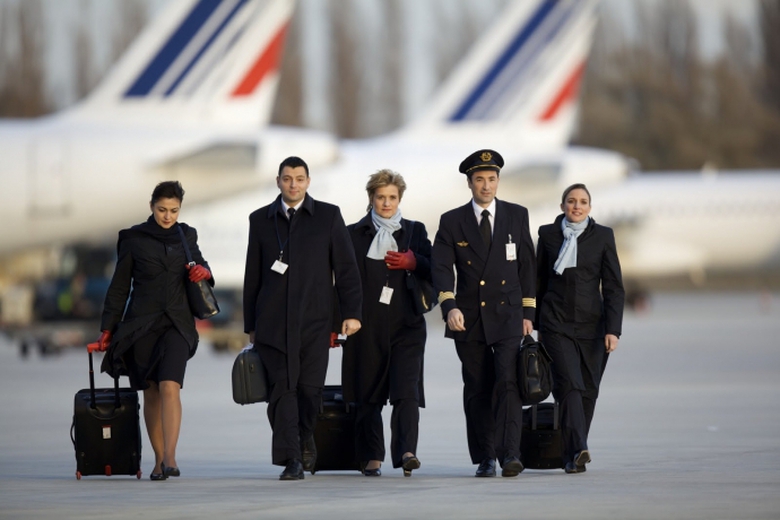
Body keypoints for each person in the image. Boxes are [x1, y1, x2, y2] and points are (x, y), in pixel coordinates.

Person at [243, 156, 362, 481]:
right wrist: (250, 324)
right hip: (272, 324)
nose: (293, 184)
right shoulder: (260, 219)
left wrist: (351, 314)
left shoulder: (328, 216)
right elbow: (253, 274)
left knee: (309, 391)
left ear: (308, 181)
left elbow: (346, 270)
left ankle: (304, 436)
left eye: (299, 178)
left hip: (315, 321)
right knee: (282, 391)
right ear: (278, 181)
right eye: (287, 178)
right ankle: (292, 458)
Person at [97, 180, 213, 481]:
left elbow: (202, 266)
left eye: (174, 210)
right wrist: (107, 328)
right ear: (151, 206)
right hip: (142, 324)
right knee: (151, 392)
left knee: (170, 385)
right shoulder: (133, 238)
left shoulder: (186, 235)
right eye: (162, 210)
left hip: (177, 323)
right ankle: (159, 459)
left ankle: (171, 457)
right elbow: (119, 287)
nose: (168, 216)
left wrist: (205, 271)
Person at [431, 149, 536, 478]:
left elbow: (527, 266)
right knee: (477, 387)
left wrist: (528, 312)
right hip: (469, 318)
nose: (486, 186)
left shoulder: (517, 215)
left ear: (498, 181)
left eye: (492, 179)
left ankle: (511, 454)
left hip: (508, 315)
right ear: (469, 183)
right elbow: (441, 268)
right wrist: (449, 306)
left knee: (508, 383)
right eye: (480, 179)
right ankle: (485, 457)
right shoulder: (452, 221)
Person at [342, 169, 432, 477]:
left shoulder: (415, 231)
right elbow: (341, 280)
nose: (386, 203)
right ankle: (372, 457)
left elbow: (435, 268)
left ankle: (407, 452)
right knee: (367, 394)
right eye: (381, 197)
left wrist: (414, 262)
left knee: (407, 391)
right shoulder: (353, 234)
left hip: (407, 325)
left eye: (392, 197)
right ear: (371, 198)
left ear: (400, 198)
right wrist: (337, 321)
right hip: (365, 326)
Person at [536, 183, 625, 474]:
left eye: (583, 202)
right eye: (571, 201)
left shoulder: (603, 236)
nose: (577, 206)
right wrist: (533, 322)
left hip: (593, 327)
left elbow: (613, 287)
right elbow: (537, 282)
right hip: (555, 323)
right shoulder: (547, 235)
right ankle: (578, 448)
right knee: (570, 386)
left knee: (588, 390)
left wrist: (613, 329)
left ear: (590, 207)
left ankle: (572, 455)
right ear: (562, 206)